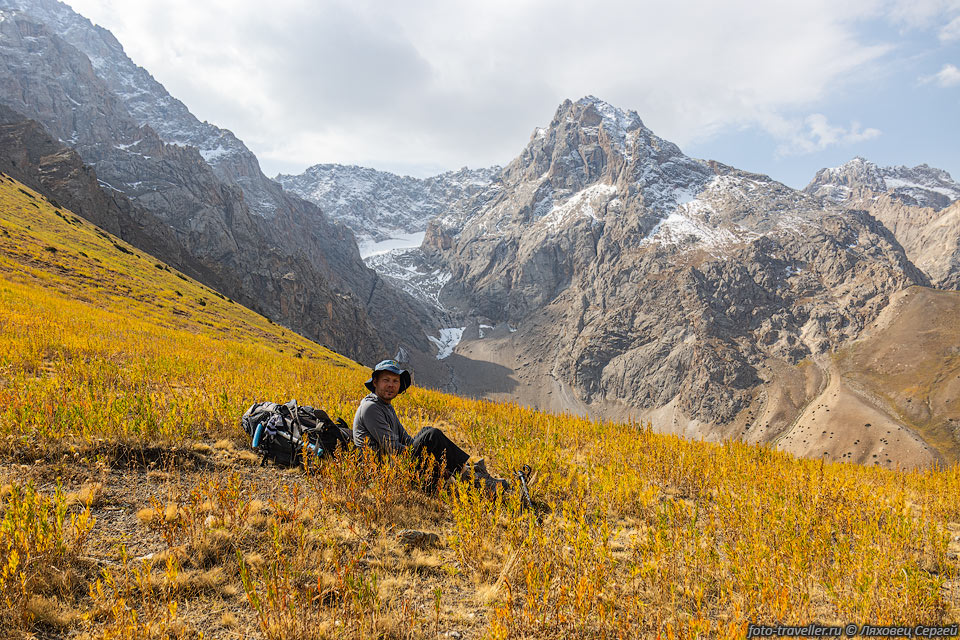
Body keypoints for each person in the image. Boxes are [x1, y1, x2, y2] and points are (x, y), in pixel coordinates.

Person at [353, 359, 511, 496]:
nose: (391, 385)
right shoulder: (371, 408)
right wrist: (428, 453)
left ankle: (472, 474)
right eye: (386, 380)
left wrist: (432, 458)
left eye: (395, 381)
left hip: (393, 465)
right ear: (375, 382)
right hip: (383, 473)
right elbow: (394, 450)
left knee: (425, 432)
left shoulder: (386, 406)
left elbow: (406, 440)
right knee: (431, 435)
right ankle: (473, 479)